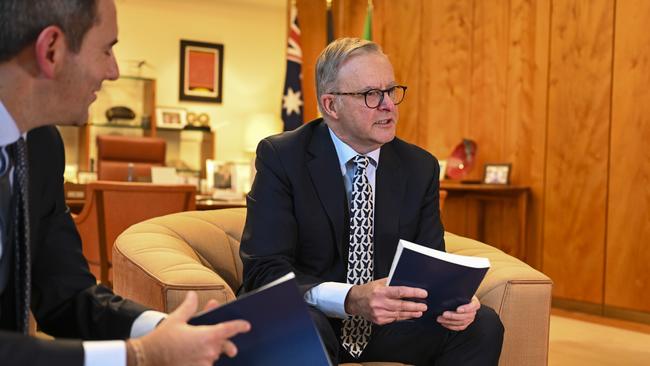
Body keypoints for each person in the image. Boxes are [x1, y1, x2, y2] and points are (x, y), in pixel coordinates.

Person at [0, 0, 250, 365]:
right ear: (51, 50)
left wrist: (165, 329)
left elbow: (66, 295)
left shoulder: (41, 146)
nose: (114, 71)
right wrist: (138, 355)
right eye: (106, 49)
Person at [240, 37, 504, 365]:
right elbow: (263, 270)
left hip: (388, 325)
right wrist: (350, 298)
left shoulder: (419, 166)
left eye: (391, 91)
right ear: (331, 105)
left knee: (482, 325)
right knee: (303, 326)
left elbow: (430, 260)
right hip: (315, 313)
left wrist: (456, 299)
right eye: (370, 95)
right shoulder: (282, 157)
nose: (388, 105)